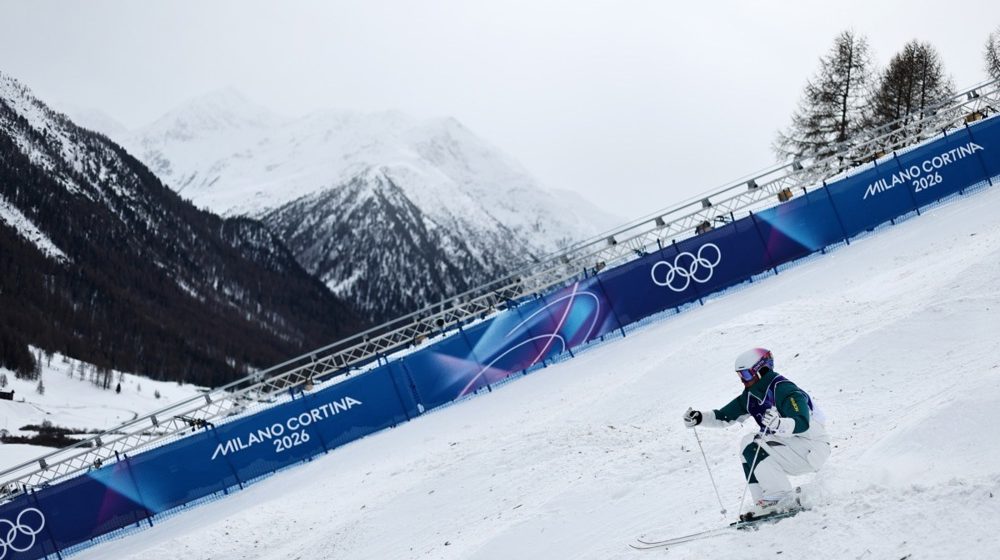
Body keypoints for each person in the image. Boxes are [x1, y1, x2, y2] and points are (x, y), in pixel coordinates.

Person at [683, 348, 830, 520]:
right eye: (740, 375)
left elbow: (802, 422)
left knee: (754, 443)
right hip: (791, 449)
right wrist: (700, 418)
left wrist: (780, 424)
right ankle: (763, 502)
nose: (743, 380)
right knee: (747, 446)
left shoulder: (782, 388)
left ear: (761, 370)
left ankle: (780, 497)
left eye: (746, 375)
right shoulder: (751, 395)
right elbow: (724, 416)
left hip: (811, 446)